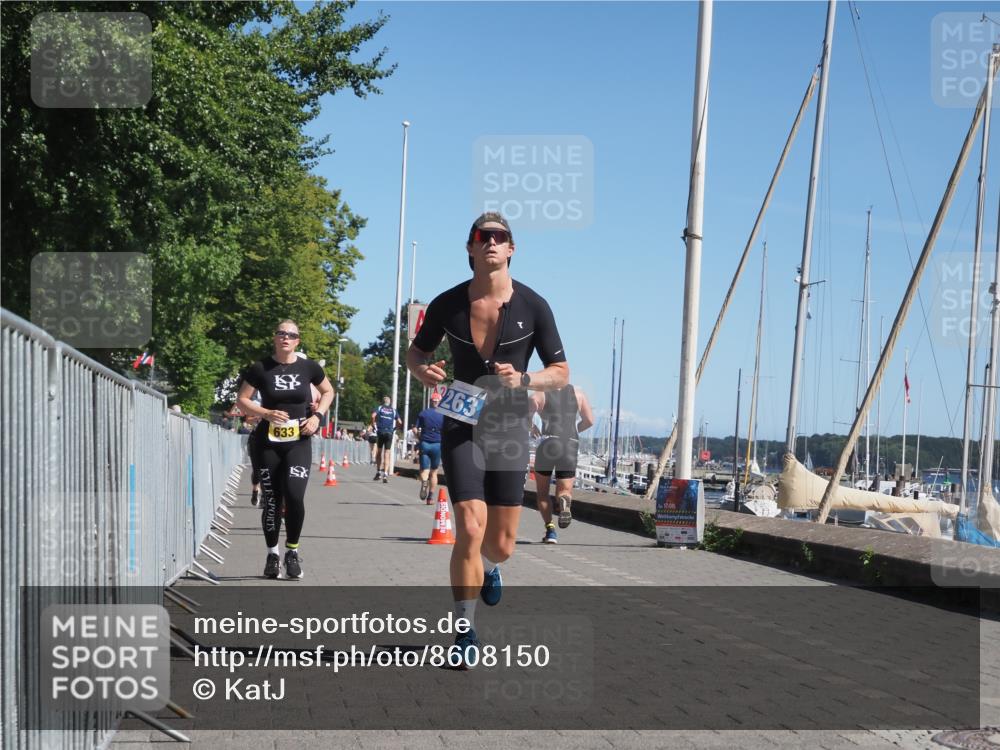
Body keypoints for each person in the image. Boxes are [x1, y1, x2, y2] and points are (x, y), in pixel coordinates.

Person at [407, 211, 568, 667]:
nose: (492, 243)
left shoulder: (535, 306)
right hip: (462, 424)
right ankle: (464, 630)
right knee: (469, 529)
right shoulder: (448, 304)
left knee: (501, 543)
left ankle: (493, 569)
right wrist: (422, 370)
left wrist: (525, 379)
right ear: (471, 248)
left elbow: (561, 373)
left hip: (510, 428)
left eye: (500, 237)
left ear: (512, 249)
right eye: (483, 237)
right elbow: (415, 352)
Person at [237, 320, 334, 580]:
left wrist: (318, 417)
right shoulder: (260, 368)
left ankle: (292, 552)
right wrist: (266, 412)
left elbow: (328, 391)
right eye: (281, 333)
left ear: (297, 341)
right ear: (275, 337)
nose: (286, 338)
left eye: (291, 335)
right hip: (267, 443)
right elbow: (242, 400)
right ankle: (272, 555)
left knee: (294, 496)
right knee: (272, 502)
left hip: (298, 441)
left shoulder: (308, 367)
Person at [530, 385, 594, 543]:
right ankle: (564, 503)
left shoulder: (540, 394)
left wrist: (532, 428)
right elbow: (589, 421)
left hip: (548, 442)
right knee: (564, 490)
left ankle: (550, 529)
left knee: (543, 493)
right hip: (569, 443)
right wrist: (574, 430)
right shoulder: (578, 394)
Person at [415, 391, 445, 503]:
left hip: (425, 443)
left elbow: (415, 429)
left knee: (425, 470)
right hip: (437, 444)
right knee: (434, 472)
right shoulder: (443, 415)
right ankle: (430, 497)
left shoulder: (423, 413)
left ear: (431, 401)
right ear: (439, 402)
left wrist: (419, 438)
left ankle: (424, 481)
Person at [370, 396, 401, 482]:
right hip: (389, 433)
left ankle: (379, 472)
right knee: (387, 453)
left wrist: (373, 425)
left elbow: (373, 416)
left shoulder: (380, 408)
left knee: (379, 452)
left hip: (381, 432)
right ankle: (385, 474)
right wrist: (395, 429)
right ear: (390, 402)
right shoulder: (393, 410)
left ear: (383, 402)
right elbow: (400, 422)